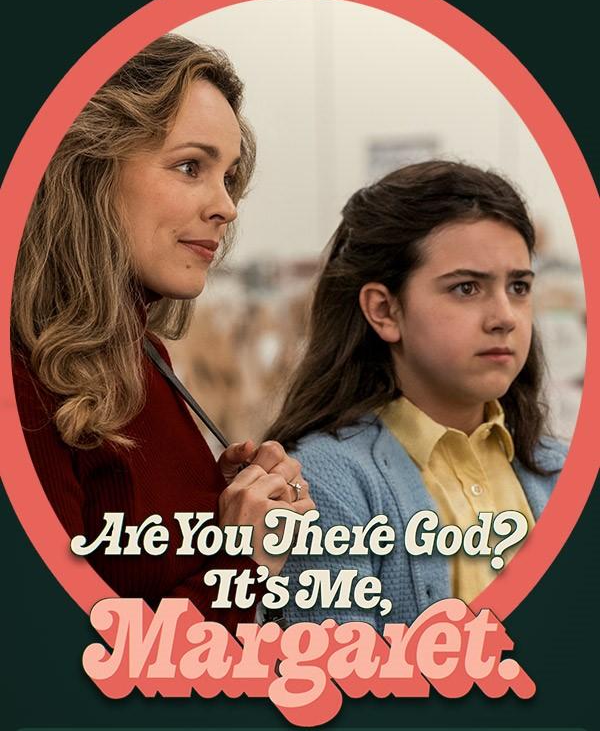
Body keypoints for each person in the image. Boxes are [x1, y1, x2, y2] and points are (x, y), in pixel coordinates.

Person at [11, 33, 313, 633]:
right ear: (87, 170)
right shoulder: (22, 380)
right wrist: (244, 562)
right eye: (189, 167)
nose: (226, 206)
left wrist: (215, 505)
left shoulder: (144, 353)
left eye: (229, 177)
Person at [266, 160, 566, 631]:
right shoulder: (324, 483)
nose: (505, 316)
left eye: (519, 287)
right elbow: (342, 686)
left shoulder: (559, 469)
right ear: (384, 310)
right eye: (467, 288)